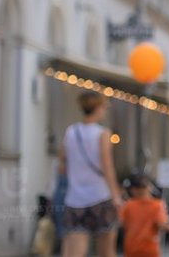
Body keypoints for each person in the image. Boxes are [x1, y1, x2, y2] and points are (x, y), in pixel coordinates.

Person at [58, 91, 124, 257]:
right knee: (106, 251)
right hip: (100, 197)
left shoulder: (70, 132)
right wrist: (116, 196)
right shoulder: (102, 134)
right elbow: (107, 167)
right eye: (104, 107)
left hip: (75, 199)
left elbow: (62, 165)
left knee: (75, 251)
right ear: (98, 108)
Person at [119, 173, 169, 257]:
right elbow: (164, 226)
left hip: (131, 249)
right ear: (149, 187)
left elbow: (122, 224)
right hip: (149, 249)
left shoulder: (128, 206)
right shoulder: (157, 205)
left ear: (133, 190)